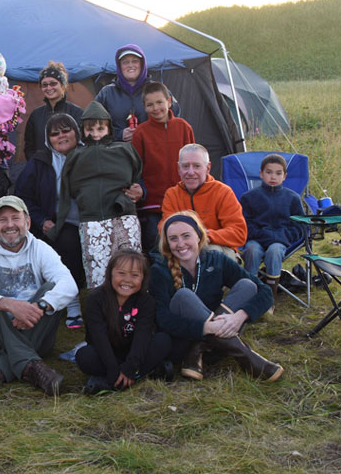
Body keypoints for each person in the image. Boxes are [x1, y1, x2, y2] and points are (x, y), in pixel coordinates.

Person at [0, 196, 79, 396]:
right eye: (3, 220)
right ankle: (32, 367)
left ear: (28, 222)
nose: (10, 225)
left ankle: (1, 368)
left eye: (16, 218)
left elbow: (68, 284)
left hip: (34, 329)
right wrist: (9, 305)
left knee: (51, 289)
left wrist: (38, 308)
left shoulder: (41, 249)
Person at [151, 211, 282, 382]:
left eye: (186, 236)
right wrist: (207, 328)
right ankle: (245, 356)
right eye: (173, 238)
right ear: (167, 243)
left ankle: (199, 349)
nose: (180, 243)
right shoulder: (159, 269)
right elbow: (162, 318)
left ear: (198, 236)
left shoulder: (215, 259)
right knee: (184, 296)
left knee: (247, 285)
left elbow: (265, 292)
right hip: (182, 339)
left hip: (223, 332)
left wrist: (239, 316)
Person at [56, 101, 144, 289]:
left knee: (130, 269)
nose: (95, 134)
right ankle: (102, 315)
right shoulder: (76, 155)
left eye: (100, 128)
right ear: (82, 130)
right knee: (98, 273)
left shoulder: (123, 149)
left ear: (109, 128)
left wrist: (138, 191)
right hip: (92, 220)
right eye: (90, 129)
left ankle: (133, 314)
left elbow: (138, 176)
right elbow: (68, 187)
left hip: (124, 215)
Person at [16, 113, 85, 328]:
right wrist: (41, 219)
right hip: (53, 221)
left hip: (87, 220)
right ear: (48, 139)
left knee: (74, 240)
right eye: (55, 134)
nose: (61, 136)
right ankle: (64, 301)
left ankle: (82, 301)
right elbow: (23, 196)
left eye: (66, 130)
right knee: (62, 241)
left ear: (77, 132)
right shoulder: (40, 161)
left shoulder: (89, 155)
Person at [77, 249, 178, 394]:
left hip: (135, 353)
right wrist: (112, 369)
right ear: (110, 273)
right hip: (106, 353)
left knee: (163, 340)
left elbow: (142, 336)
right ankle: (145, 373)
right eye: (121, 273)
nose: (127, 280)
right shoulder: (95, 299)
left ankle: (114, 381)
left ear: (143, 278)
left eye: (135, 275)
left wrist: (131, 368)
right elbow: (98, 337)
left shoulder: (146, 301)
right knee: (84, 356)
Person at [133, 82, 195, 255]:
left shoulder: (184, 127)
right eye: (150, 104)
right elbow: (136, 169)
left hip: (182, 200)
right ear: (144, 107)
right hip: (153, 203)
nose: (156, 108)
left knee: (184, 245)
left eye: (159, 102)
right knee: (156, 244)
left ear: (169, 102)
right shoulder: (141, 133)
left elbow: (192, 162)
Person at [161, 144, 247, 260]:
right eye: (185, 166)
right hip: (183, 248)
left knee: (211, 252)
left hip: (219, 249)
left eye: (197, 166)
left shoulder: (223, 192)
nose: (191, 172)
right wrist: (186, 239)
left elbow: (239, 233)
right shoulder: (172, 195)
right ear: (178, 169)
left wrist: (203, 235)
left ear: (208, 168)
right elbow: (164, 227)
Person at [240, 154, 305, 300]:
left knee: (274, 251)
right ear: (261, 174)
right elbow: (244, 224)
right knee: (252, 250)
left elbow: (299, 227)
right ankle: (248, 296)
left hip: (281, 241)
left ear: (285, 176)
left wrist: (280, 237)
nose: (273, 177)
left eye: (278, 173)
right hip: (256, 239)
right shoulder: (248, 197)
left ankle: (268, 299)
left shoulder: (293, 198)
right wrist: (265, 236)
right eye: (268, 172)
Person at [23, 61, 83, 161]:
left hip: (72, 169)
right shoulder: (36, 115)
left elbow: (83, 144)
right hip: (43, 171)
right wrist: (36, 166)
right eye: (44, 85)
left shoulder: (76, 113)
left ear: (63, 85)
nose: (49, 88)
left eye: (53, 83)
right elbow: (29, 147)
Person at [94, 44, 149, 142]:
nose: (130, 65)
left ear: (142, 64)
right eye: (125, 62)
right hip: (117, 153)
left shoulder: (156, 90)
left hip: (151, 151)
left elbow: (171, 120)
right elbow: (92, 125)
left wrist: (145, 134)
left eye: (135, 61)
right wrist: (118, 135)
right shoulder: (106, 93)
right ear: (119, 66)